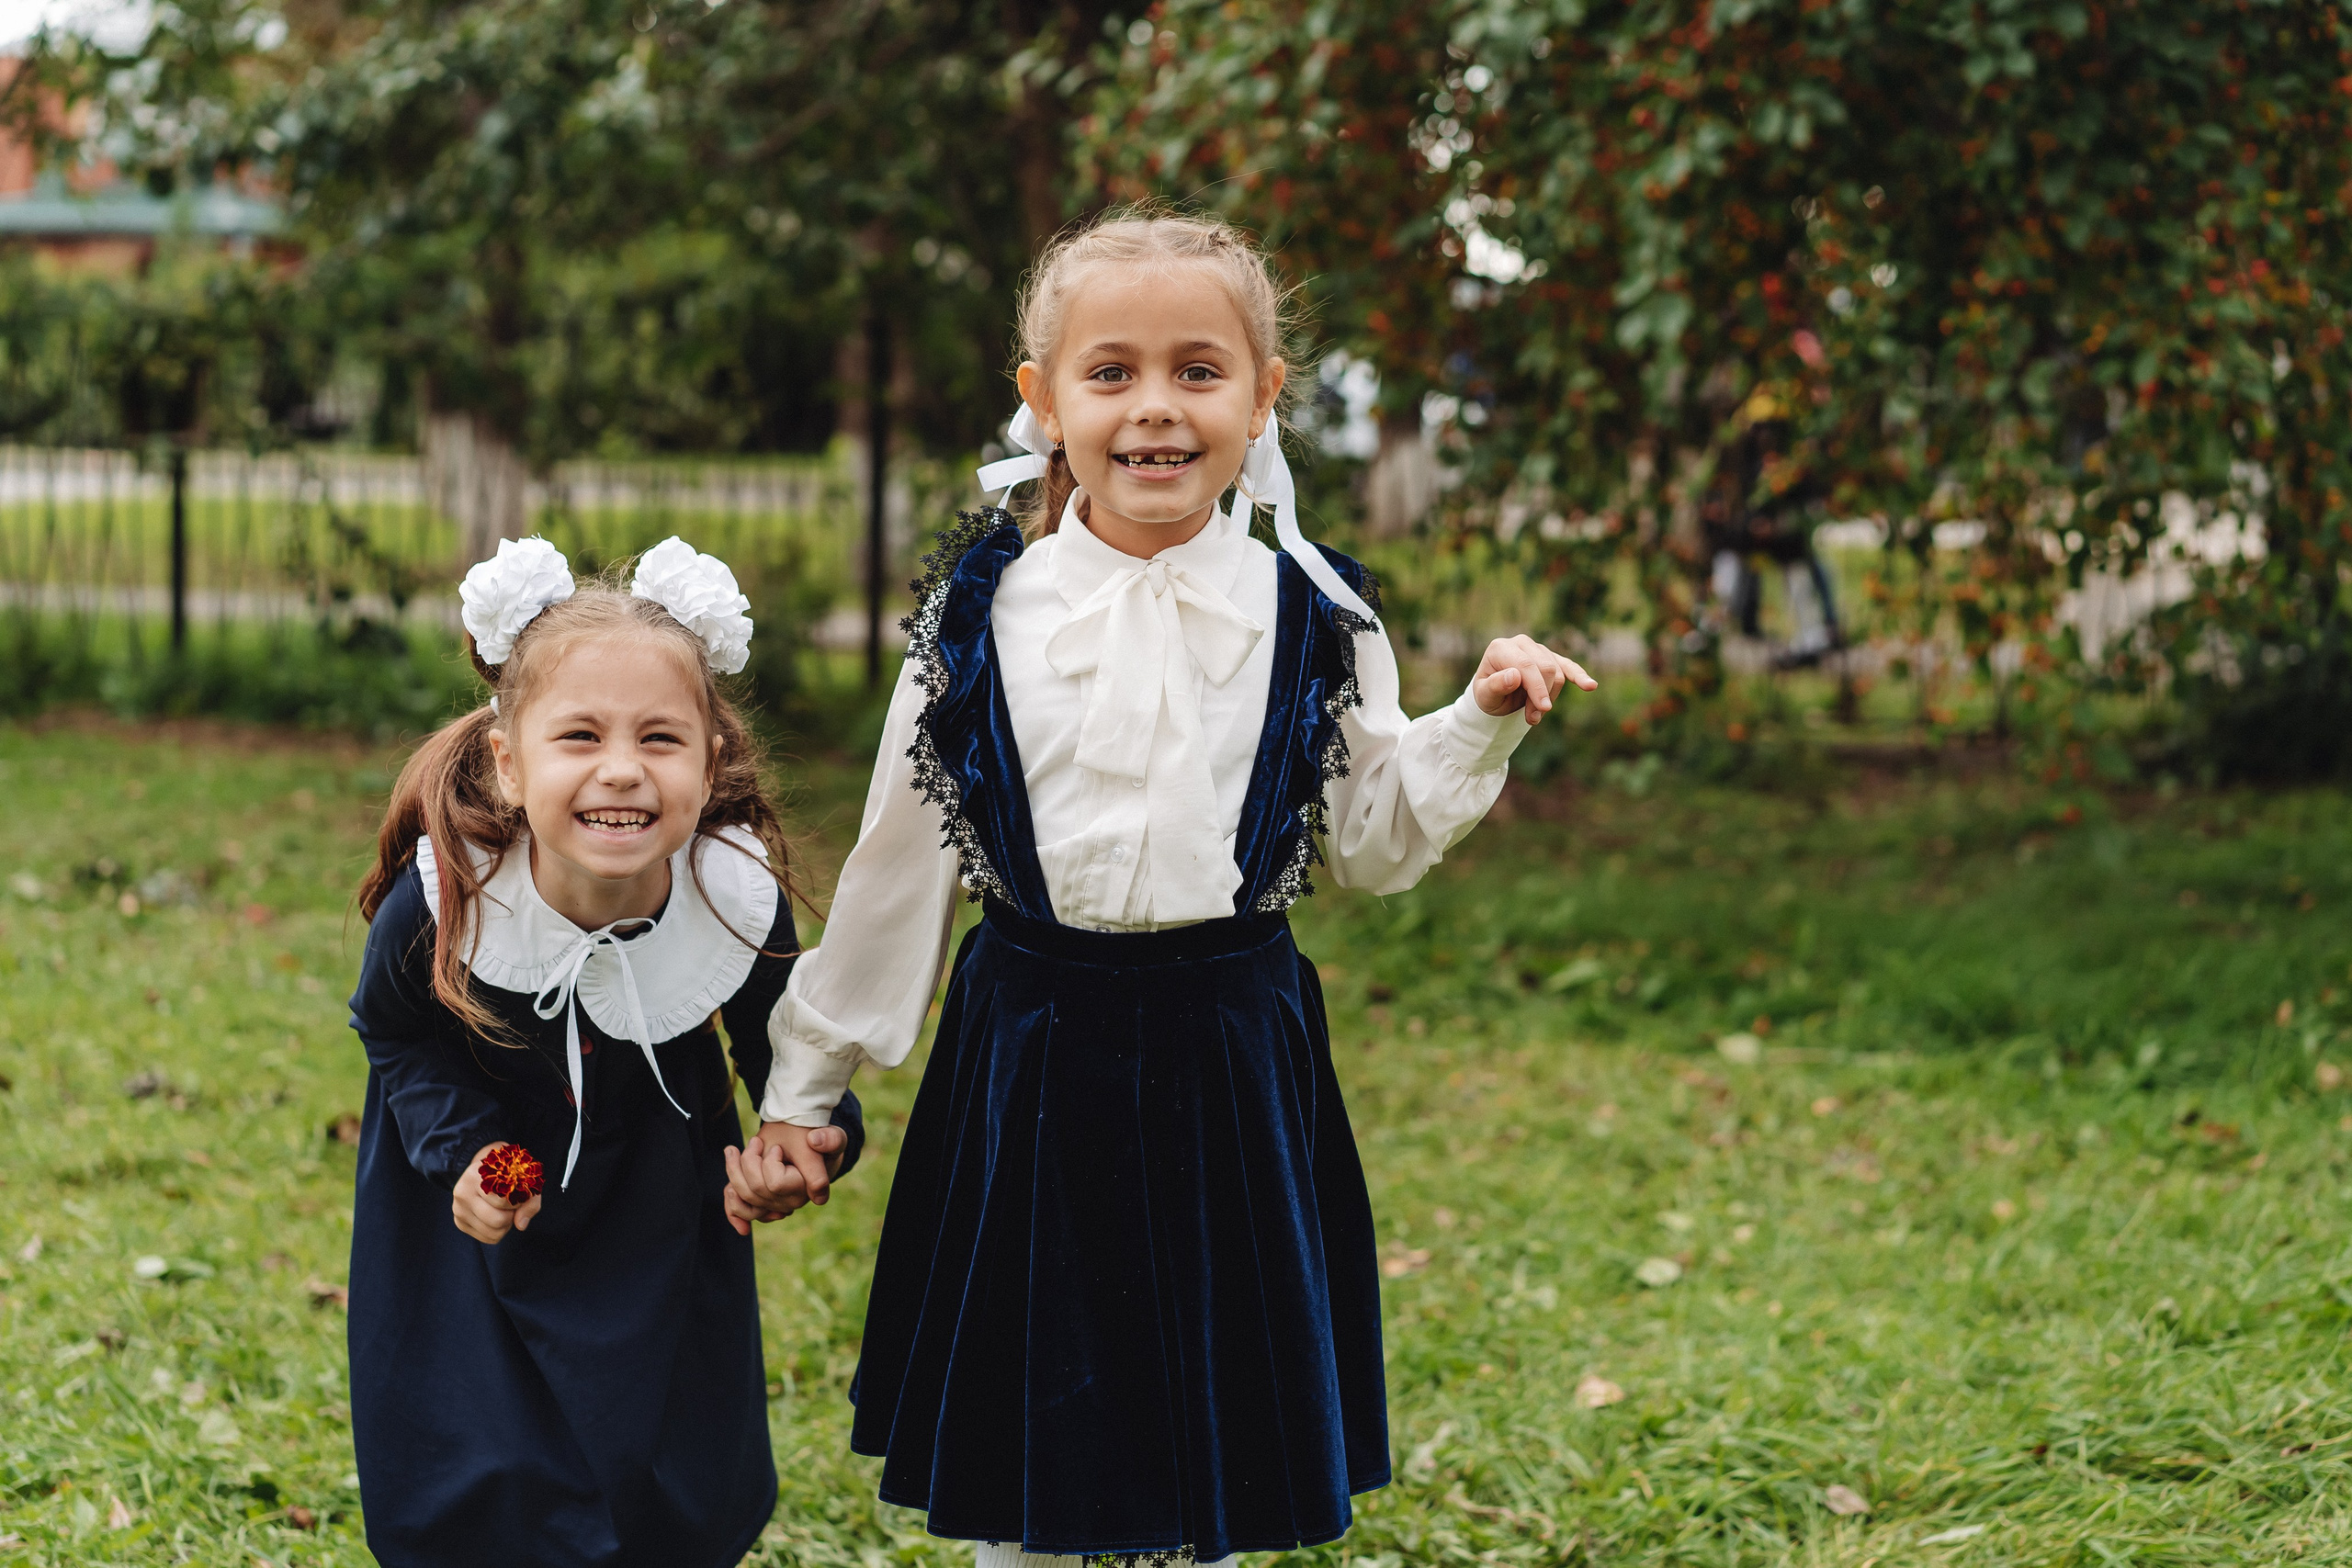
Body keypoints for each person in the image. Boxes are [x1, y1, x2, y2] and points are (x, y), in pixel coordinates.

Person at [729, 206, 1595, 1568]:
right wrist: (806, 1087)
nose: (1155, 409)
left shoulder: (1318, 613)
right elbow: (901, 869)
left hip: (1231, 1051)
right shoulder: (978, 619)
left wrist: (1474, 716)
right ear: (1044, 399)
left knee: (1210, 1416)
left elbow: (1368, 839)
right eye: (1111, 371)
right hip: (1033, 1047)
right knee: (1036, 1409)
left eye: (1198, 372)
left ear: (1262, 399)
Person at [345, 536, 865, 1568]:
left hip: (660, 1214)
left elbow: (791, 1060)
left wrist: (803, 1143)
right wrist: (467, 1155)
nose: (621, 769)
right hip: (486, 1218)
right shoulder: (449, 897)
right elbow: (396, 1032)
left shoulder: (731, 893)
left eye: (661, 739)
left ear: (709, 759)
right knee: (486, 1470)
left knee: (672, 1473)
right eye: (579, 735)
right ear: (509, 758)